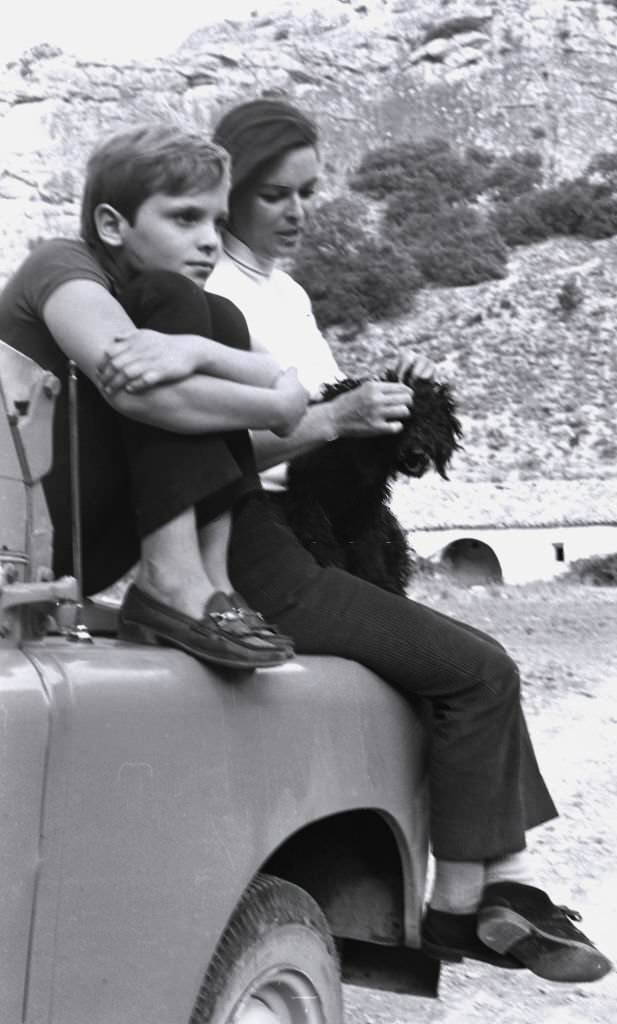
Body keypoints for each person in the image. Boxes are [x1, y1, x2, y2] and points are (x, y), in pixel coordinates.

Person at [83, 104, 611, 984]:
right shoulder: (204, 298)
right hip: (262, 535)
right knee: (476, 668)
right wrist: (334, 416)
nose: (292, 213)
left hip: (306, 527)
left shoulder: (280, 293)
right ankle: (474, 902)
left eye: (308, 194)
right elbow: (209, 448)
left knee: (449, 669)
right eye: (269, 195)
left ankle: (489, 893)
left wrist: (369, 424)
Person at [0, 123, 310, 669]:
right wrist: (281, 405)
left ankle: (211, 581)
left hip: (79, 543)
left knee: (219, 317)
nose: (211, 240)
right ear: (112, 225)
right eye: (186, 218)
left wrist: (201, 351)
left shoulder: (182, 312)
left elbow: (278, 375)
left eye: (217, 221)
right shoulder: (62, 265)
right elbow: (141, 398)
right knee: (177, 304)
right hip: (21, 539)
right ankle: (172, 579)